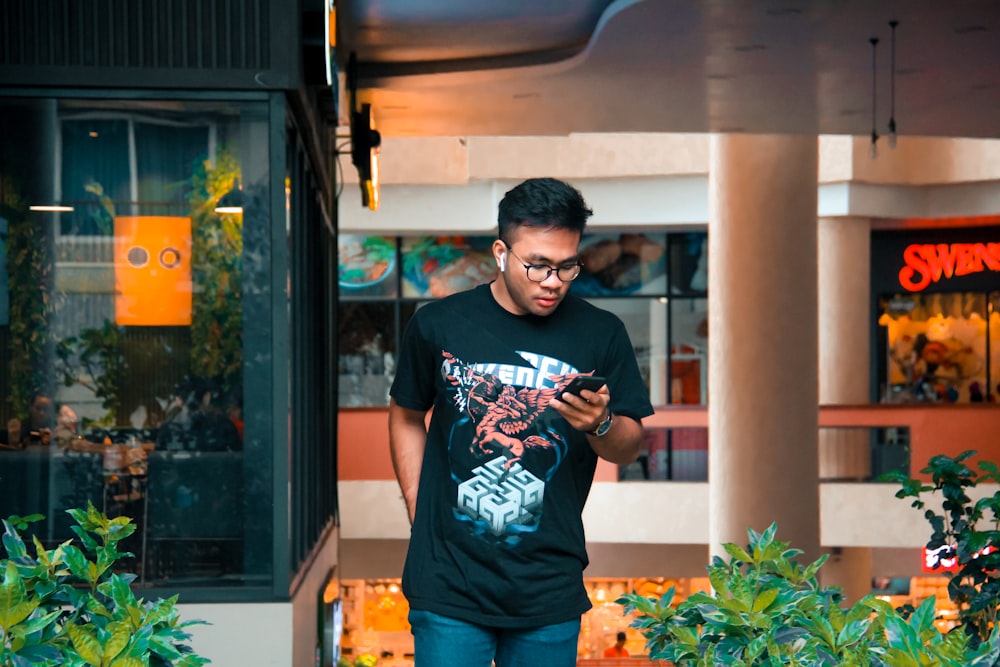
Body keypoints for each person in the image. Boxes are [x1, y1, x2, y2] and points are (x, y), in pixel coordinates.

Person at [388, 177, 654, 667]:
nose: (552, 280)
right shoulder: (438, 323)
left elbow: (628, 445)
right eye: (538, 264)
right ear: (501, 252)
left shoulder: (602, 333)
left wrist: (601, 424)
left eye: (566, 265)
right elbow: (406, 414)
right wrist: (416, 504)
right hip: (448, 581)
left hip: (547, 589)